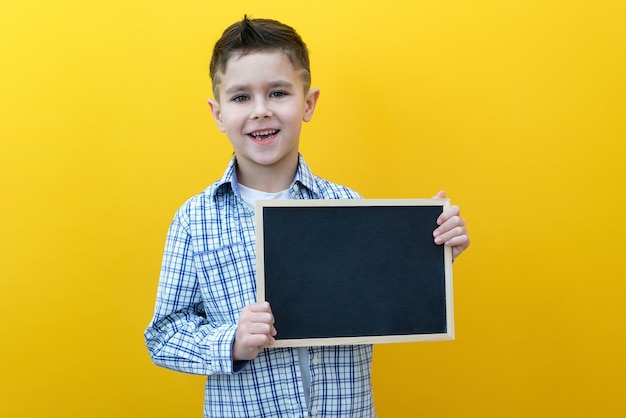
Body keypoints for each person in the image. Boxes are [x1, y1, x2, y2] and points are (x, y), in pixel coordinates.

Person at [145, 16, 470, 417]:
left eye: (278, 92)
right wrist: (231, 341)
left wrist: (430, 255)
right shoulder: (195, 220)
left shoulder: (348, 205)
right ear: (217, 113)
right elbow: (163, 336)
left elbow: (379, 291)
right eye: (241, 97)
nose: (260, 111)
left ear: (308, 103)